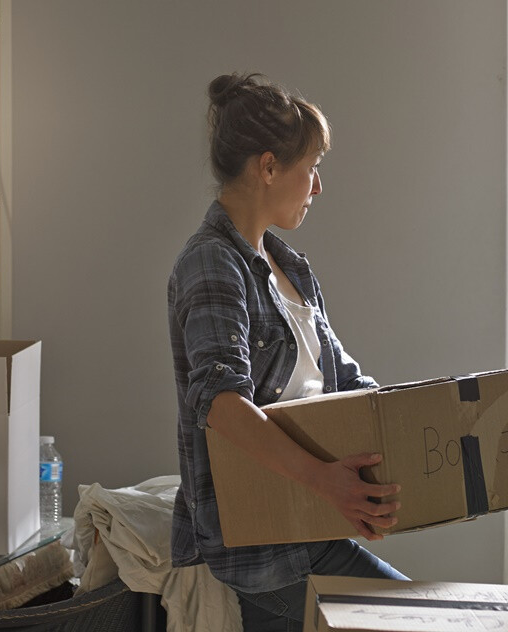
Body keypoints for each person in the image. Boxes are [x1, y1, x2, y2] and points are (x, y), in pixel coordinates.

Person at [168, 72, 408, 631]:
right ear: (268, 166)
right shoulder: (211, 264)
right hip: (263, 552)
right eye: (311, 167)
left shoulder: (290, 267)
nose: (318, 186)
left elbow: (349, 385)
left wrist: (480, 406)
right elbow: (221, 402)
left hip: (312, 528)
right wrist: (326, 481)